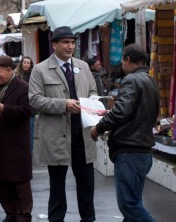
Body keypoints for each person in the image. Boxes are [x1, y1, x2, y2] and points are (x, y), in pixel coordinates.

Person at [28, 26, 98, 222]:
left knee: (86, 186)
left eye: (73, 42)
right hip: (56, 136)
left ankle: (88, 219)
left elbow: (93, 91)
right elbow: (34, 100)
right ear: (54, 45)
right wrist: (63, 105)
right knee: (57, 186)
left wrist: (90, 101)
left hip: (83, 136)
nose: (70, 46)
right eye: (66, 42)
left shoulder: (83, 66)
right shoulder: (40, 69)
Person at [90, 44, 160, 222]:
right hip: (141, 150)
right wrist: (111, 114)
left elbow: (121, 112)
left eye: (122, 60)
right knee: (133, 205)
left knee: (129, 205)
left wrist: (98, 128)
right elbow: (135, 111)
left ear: (128, 59)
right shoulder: (149, 79)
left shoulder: (131, 80)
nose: (121, 64)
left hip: (130, 150)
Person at [0, 55, 33, 222]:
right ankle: (11, 214)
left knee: (19, 184)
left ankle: (23, 216)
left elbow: (27, 111)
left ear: (9, 70)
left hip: (16, 144)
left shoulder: (23, 87)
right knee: (3, 183)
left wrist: (4, 109)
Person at [14, 56, 37, 155]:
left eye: (28, 63)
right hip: (18, 107)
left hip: (30, 107)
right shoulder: (16, 75)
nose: (26, 64)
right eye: (24, 62)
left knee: (30, 131)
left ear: (31, 65)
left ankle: (29, 153)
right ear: (21, 63)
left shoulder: (35, 75)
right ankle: (19, 151)